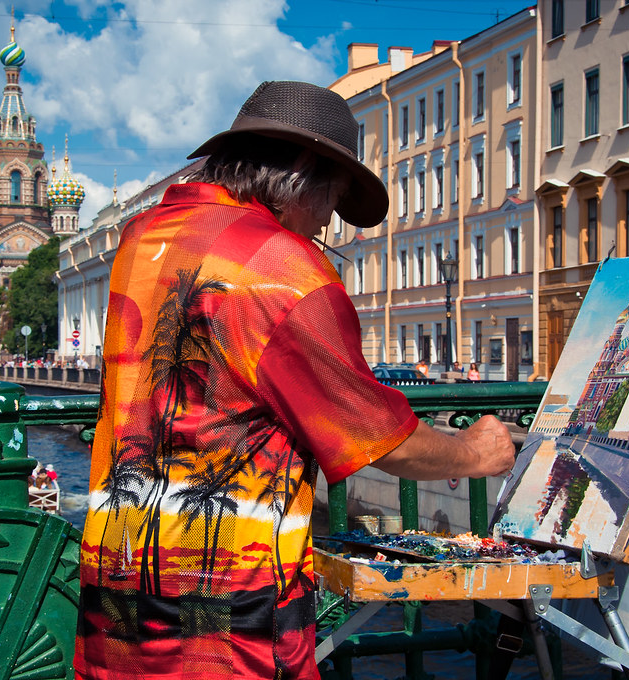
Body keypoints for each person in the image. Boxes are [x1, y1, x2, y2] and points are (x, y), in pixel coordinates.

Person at [75, 81, 515, 680]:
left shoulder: (145, 237)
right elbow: (379, 436)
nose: (328, 220)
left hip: (119, 579)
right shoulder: (281, 267)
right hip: (226, 609)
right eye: (332, 198)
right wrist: (474, 452)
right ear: (304, 173)